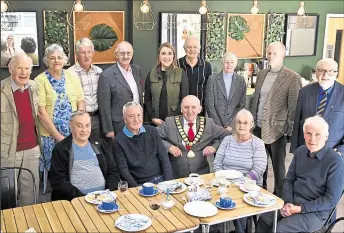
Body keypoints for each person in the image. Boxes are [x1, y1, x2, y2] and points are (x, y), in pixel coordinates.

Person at [256, 116, 344, 233]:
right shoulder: (300, 151)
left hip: (315, 212)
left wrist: (299, 209)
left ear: (326, 137)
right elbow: (289, 180)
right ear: (304, 135)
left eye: (317, 134)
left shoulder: (335, 160)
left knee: (281, 229)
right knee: (265, 219)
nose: (312, 139)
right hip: (292, 202)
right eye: (309, 133)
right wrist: (288, 203)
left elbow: (331, 200)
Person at [251, 42, 301, 197]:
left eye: (275, 53)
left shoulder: (293, 78)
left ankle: (280, 199)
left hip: (277, 130)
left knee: (279, 169)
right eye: (269, 53)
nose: (271, 56)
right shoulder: (261, 74)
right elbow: (256, 99)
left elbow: (294, 108)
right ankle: (260, 193)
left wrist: (287, 130)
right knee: (260, 165)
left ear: (283, 55)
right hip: (258, 127)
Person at [214, 109, 267, 233]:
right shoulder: (227, 140)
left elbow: (259, 169)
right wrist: (222, 180)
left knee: (238, 204)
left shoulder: (257, 143)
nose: (241, 125)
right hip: (225, 183)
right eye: (239, 122)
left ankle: (240, 230)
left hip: (247, 186)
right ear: (235, 124)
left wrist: (241, 183)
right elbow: (217, 163)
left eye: (245, 123)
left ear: (251, 125)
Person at [35, 44, 84, 173]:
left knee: (77, 165)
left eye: (59, 57)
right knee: (58, 169)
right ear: (47, 61)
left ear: (64, 60)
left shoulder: (72, 76)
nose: (56, 60)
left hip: (73, 131)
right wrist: (58, 137)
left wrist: (79, 125)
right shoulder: (40, 81)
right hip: (50, 135)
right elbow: (41, 112)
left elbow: (81, 101)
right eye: (52, 58)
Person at [50, 111, 120, 201]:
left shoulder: (100, 144)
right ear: (71, 125)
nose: (84, 130)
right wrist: (83, 198)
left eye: (87, 125)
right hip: (75, 200)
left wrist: (106, 193)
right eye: (79, 126)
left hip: (103, 198)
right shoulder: (61, 149)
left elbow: (113, 171)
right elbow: (59, 182)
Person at [1, 53, 42, 206]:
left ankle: (29, 226)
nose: (23, 72)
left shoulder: (34, 86)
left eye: (27, 68)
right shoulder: (2, 89)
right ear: (11, 69)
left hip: (32, 149)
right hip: (8, 151)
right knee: (7, 194)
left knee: (30, 194)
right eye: (19, 68)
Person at [157, 95, 229, 178]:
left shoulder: (208, 123)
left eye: (194, 107)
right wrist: (169, 147)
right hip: (176, 175)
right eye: (186, 107)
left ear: (200, 109)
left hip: (201, 175)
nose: (190, 111)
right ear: (181, 109)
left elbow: (227, 136)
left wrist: (214, 147)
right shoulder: (170, 122)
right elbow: (152, 136)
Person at [291, 58, 344, 156]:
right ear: (315, 73)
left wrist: (341, 151)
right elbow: (297, 123)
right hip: (307, 150)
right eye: (321, 71)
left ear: (336, 73)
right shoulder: (304, 92)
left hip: (334, 153)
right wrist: (296, 150)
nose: (325, 75)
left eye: (330, 71)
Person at [113, 101, 173, 187]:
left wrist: (168, 182)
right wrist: (137, 189)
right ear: (125, 120)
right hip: (140, 184)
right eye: (131, 116)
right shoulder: (118, 141)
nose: (136, 119)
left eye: (138, 115)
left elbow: (164, 158)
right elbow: (124, 171)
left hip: (161, 179)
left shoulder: (152, 131)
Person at [98, 41, 145, 139]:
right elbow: (104, 106)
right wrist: (109, 130)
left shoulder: (137, 70)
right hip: (118, 125)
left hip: (137, 123)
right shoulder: (106, 75)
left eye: (128, 53)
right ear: (116, 54)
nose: (125, 56)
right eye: (122, 53)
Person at [145, 42, 189, 126]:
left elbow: (184, 99)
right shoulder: (151, 74)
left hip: (175, 122)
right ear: (159, 56)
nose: (166, 57)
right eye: (163, 54)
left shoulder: (180, 73)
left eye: (169, 53)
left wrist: (173, 119)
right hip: (155, 121)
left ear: (173, 56)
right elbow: (147, 100)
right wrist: (153, 118)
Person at [69, 38, 102, 140]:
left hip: (97, 119)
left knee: (97, 151)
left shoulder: (99, 71)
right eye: (83, 52)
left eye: (89, 52)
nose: (87, 56)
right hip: (79, 121)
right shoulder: (69, 74)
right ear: (77, 54)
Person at [205, 52, 246, 131]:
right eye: (226, 62)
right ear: (222, 63)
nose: (229, 65)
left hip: (233, 126)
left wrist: (231, 125)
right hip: (215, 125)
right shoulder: (212, 79)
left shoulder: (241, 81)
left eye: (232, 62)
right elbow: (209, 105)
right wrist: (219, 126)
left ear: (235, 64)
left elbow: (242, 105)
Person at [178, 36, 212, 115]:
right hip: (181, 110)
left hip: (200, 110)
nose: (192, 50)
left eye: (195, 47)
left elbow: (208, 89)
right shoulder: (177, 64)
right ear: (184, 48)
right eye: (189, 47)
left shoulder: (206, 66)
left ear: (199, 48)